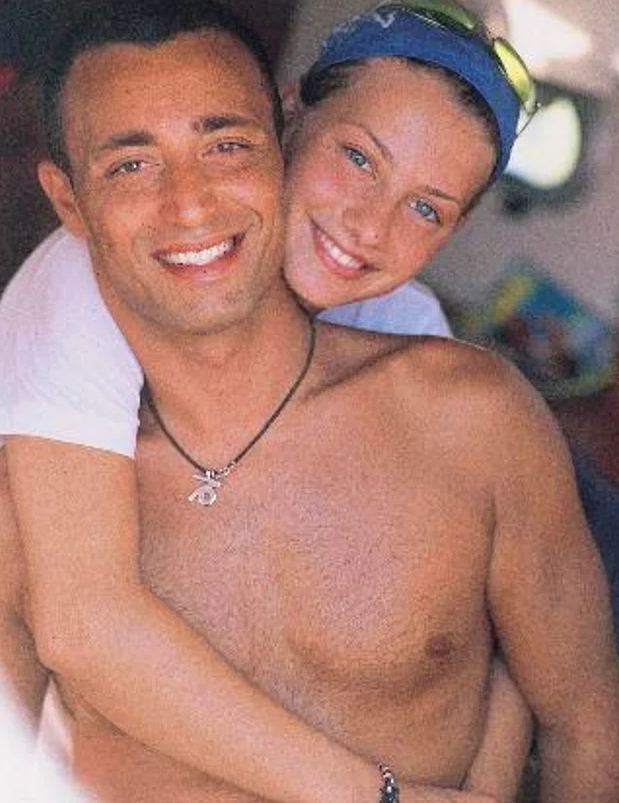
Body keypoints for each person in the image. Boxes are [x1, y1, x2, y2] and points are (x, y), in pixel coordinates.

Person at [1, 0, 617, 801]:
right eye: (357, 158)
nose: (367, 225)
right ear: (289, 120)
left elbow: (570, 704)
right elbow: (81, 630)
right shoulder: (56, 391)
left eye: (426, 208)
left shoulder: (454, 391)